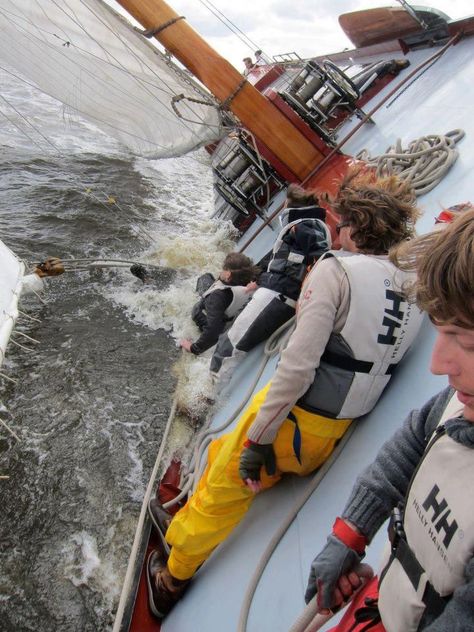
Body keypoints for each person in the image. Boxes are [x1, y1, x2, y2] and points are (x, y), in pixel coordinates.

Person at [145, 168, 425, 619]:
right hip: (326, 434)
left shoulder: (336, 272)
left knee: (224, 486)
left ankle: (171, 578)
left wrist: (257, 440)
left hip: (293, 424)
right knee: (218, 451)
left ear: (352, 224)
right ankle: (180, 525)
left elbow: (295, 370)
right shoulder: (410, 284)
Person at [304, 209, 474, 632]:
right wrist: (350, 532)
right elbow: (414, 439)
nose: (438, 364)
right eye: (441, 333)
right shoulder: (460, 403)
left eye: (465, 342)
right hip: (388, 601)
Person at [209, 184, 330, 387]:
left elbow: (320, 261)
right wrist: (259, 279)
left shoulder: (304, 227)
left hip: (276, 295)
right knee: (232, 341)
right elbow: (280, 260)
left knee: (229, 345)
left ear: (290, 205)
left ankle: (205, 397)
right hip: (277, 292)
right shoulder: (306, 224)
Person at [180, 252, 259, 355]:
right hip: (226, 309)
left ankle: (203, 294)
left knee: (203, 279)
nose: (221, 271)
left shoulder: (216, 297)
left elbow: (213, 329)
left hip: (204, 316)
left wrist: (194, 348)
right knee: (207, 276)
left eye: (223, 269)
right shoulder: (248, 285)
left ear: (228, 274)